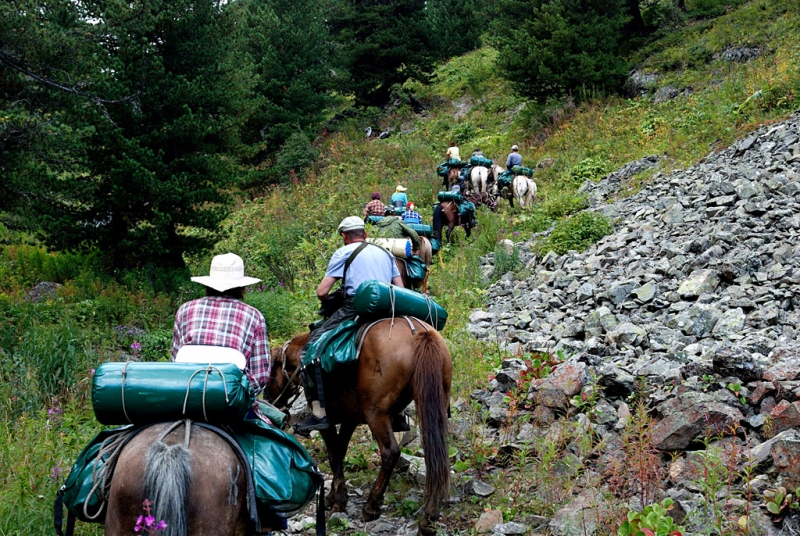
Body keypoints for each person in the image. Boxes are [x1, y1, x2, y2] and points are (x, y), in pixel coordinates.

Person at [295, 217, 404, 432]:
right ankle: (397, 413)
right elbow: (400, 287)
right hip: (388, 308)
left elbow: (322, 292)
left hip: (356, 308)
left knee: (310, 349)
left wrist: (329, 302)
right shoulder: (386, 253)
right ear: (364, 233)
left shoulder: (343, 253)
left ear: (345, 236)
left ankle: (318, 413)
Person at [171, 253, 271, 423]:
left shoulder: (185, 310)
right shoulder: (254, 316)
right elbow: (260, 376)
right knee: (275, 440)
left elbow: (175, 363)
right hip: (231, 404)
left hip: (186, 399)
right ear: (241, 287)